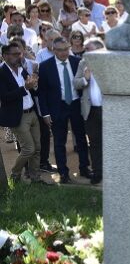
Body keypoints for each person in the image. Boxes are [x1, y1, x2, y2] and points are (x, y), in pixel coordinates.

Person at [37, 37, 91, 183]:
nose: (64, 53)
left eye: (66, 49)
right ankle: (63, 173)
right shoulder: (45, 66)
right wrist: (45, 113)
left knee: (81, 139)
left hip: (75, 104)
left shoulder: (76, 62)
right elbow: (41, 92)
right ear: (54, 50)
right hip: (57, 107)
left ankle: (85, 168)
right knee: (59, 142)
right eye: (60, 50)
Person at [0, 41, 43, 184]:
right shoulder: (2, 72)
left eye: (20, 53)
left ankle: (35, 179)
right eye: (15, 54)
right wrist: (25, 87)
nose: (19, 56)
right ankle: (15, 173)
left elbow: (29, 86)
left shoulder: (21, 68)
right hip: (18, 117)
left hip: (32, 113)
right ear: (5, 56)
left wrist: (33, 83)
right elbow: (5, 97)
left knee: (37, 148)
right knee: (28, 149)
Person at [73, 38, 104, 184]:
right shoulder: (83, 63)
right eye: (85, 50)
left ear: (99, 49)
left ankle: (114, 171)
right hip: (90, 111)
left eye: (89, 49)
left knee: (111, 141)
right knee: (95, 142)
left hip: (108, 110)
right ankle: (98, 172)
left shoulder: (110, 62)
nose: (86, 52)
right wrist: (85, 79)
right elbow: (76, 83)